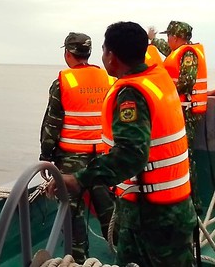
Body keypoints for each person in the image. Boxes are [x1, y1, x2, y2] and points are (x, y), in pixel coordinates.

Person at [48, 21, 197, 267]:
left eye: (105, 49)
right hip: (176, 205)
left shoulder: (131, 94)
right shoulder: (158, 78)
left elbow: (131, 154)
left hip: (151, 216)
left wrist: (78, 179)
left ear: (111, 55)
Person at [39, 32, 117, 263]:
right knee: (108, 209)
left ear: (68, 53)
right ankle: (122, 253)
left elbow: (52, 124)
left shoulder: (63, 82)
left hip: (71, 161)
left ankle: (79, 260)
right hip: (103, 158)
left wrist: (46, 155)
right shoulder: (108, 79)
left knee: (72, 214)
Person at [149, 20, 207, 213]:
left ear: (176, 37)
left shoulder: (189, 54)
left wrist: (163, 92)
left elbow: (186, 82)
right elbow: (167, 49)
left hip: (187, 112)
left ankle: (194, 203)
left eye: (168, 37)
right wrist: (153, 40)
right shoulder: (179, 51)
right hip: (181, 110)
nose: (168, 40)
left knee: (185, 157)